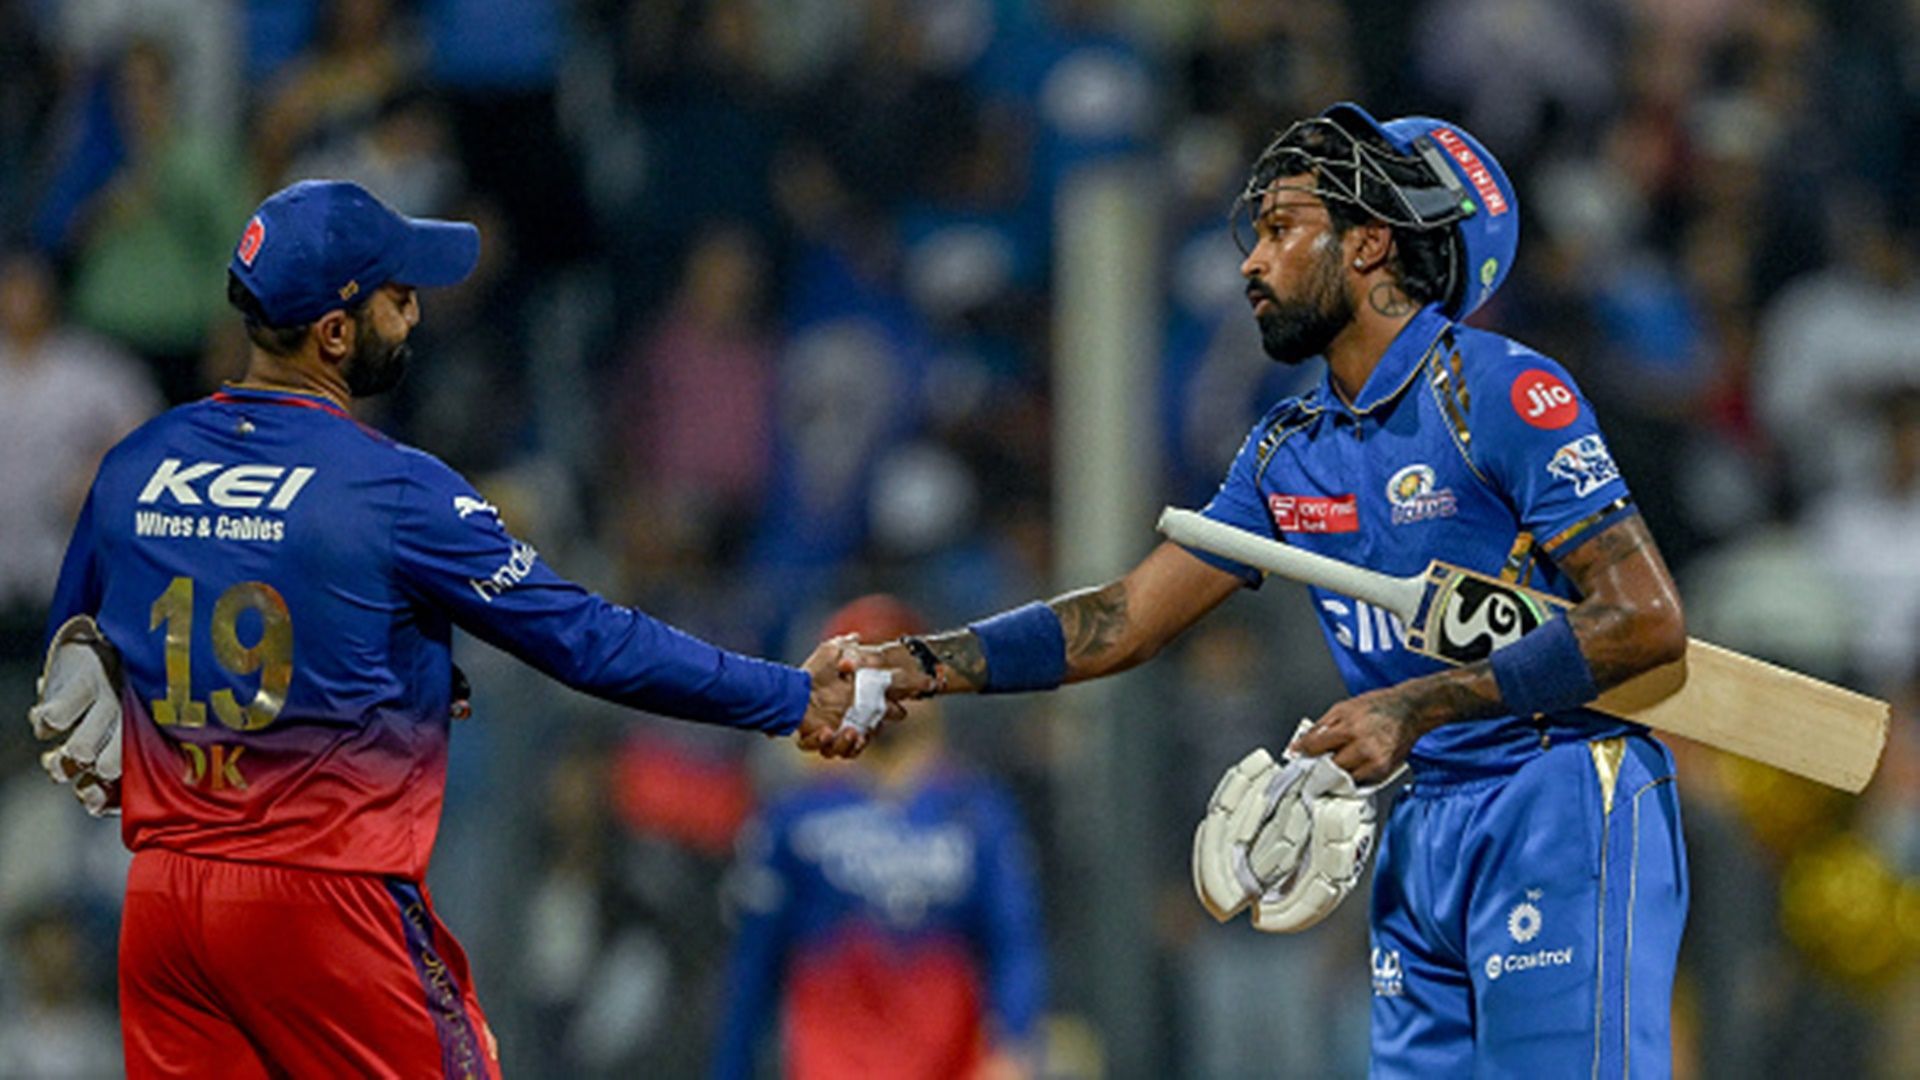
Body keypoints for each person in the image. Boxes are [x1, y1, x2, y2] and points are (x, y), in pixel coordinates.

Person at [833, 103, 1690, 1076]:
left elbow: (1646, 620)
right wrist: (921, 665)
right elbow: (1120, 620)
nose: (1249, 261)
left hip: (1559, 794)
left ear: (1371, 247)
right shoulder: (1290, 448)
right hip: (1424, 816)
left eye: (1283, 231)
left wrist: (1417, 704)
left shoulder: (1501, 392)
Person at [30, 178, 871, 1078]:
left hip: (166, 905)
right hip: (326, 906)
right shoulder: (393, 488)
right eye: (397, 296)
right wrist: (787, 694)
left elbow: (74, 663)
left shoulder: (133, 468)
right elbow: (585, 638)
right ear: (336, 333)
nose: (417, 315)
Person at [715, 595, 1045, 1080]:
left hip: (950, 1062)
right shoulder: (794, 819)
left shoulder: (976, 808)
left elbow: (1014, 939)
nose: (887, 684)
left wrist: (1016, 1044)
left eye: (898, 665)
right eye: (864, 670)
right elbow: (753, 969)